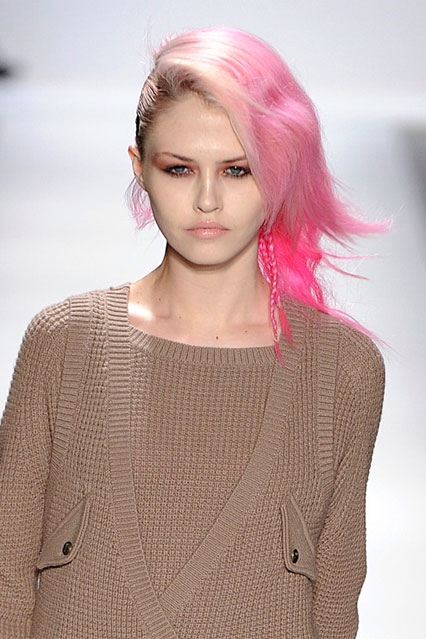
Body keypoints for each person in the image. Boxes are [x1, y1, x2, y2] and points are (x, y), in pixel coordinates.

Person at [0, 26, 390, 639]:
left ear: (280, 172)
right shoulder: (65, 343)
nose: (207, 200)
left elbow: (337, 594)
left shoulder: (342, 369)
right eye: (180, 169)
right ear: (140, 168)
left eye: (238, 170)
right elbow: (6, 570)